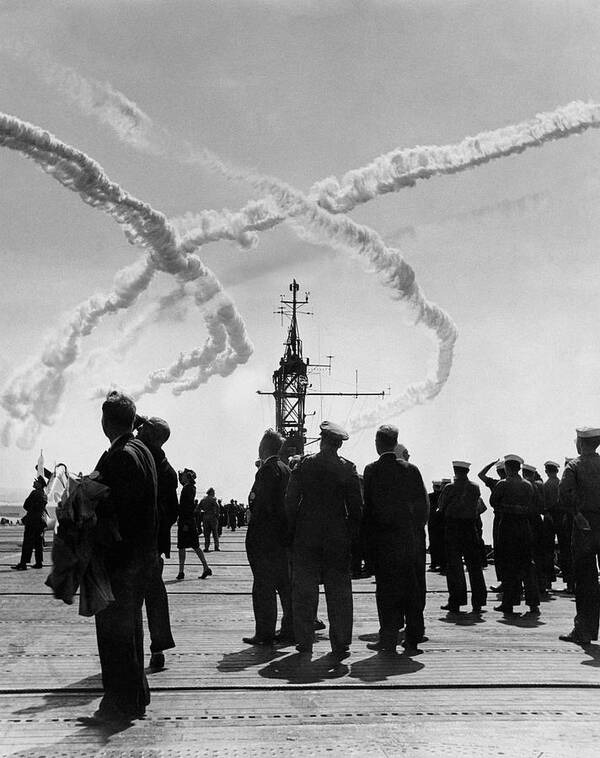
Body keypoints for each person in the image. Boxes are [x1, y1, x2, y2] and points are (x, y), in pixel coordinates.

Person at [91, 390, 158, 723]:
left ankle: (117, 705)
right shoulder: (142, 450)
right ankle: (136, 697)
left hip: (121, 560)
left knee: (114, 635)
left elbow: (115, 511)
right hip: (140, 557)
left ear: (106, 422)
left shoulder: (120, 456)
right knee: (131, 629)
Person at [285, 420, 363, 661]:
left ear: (321, 440)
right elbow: (356, 509)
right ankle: (340, 644)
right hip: (337, 539)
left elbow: (290, 501)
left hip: (307, 537)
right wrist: (348, 536)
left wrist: (293, 532)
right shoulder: (347, 469)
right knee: (339, 593)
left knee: (305, 592)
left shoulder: (304, 465)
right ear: (339, 445)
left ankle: (304, 642)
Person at [363, 425, 429, 655]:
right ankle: (412, 639)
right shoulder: (411, 470)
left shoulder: (371, 471)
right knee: (411, 589)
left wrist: (368, 545)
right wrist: (414, 531)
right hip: (408, 541)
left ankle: (388, 638)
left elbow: (367, 510)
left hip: (383, 542)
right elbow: (423, 507)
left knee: (386, 592)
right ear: (395, 442)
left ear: (378, 443)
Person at [135, 416, 179, 670]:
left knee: (131, 598)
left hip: (139, 542)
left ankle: (132, 652)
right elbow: (171, 512)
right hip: (154, 544)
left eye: (144, 428)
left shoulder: (137, 459)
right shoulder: (167, 469)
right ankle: (158, 648)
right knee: (155, 596)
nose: (139, 429)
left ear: (151, 436)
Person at [243, 429, 293, 646]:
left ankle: (264, 633)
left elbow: (260, 504)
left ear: (263, 447)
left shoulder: (265, 471)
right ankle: (290, 629)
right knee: (285, 586)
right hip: (282, 539)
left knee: (263, 588)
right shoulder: (286, 469)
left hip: (264, 539)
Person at [559, 427, 600, 645]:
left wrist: (576, 514)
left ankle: (584, 631)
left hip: (585, 526)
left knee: (585, 580)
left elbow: (564, 493)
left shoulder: (574, 466)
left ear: (581, 443)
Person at [490, 454, 539, 617]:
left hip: (508, 525)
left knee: (509, 565)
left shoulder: (502, 484)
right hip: (524, 526)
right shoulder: (528, 485)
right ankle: (533, 603)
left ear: (507, 469)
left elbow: (493, 502)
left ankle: (509, 603)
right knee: (527, 564)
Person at [438, 461, 487, 614]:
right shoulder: (475, 487)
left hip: (453, 528)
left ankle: (456, 601)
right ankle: (478, 601)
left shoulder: (449, 488)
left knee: (454, 567)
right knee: (474, 566)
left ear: (455, 470)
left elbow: (441, 507)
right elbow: (479, 507)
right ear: (467, 471)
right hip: (470, 527)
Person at [543, 460, 572, 592]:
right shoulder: (561, 484)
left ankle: (548, 580)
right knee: (565, 550)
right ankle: (570, 582)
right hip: (562, 518)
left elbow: (544, 503)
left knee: (547, 550)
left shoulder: (546, 485)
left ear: (547, 471)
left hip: (549, 517)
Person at [176, 469, 211, 580]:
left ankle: (182, 571)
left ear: (188, 476)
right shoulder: (189, 487)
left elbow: (187, 507)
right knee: (194, 546)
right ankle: (205, 568)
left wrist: (185, 522)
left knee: (183, 546)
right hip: (188, 520)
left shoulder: (188, 488)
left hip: (186, 521)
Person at [12, 475, 48, 570]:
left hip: (32, 521)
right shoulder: (44, 495)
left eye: (36, 482)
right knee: (38, 543)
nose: (34, 483)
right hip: (40, 521)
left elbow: (26, 505)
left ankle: (23, 564)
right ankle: (39, 562)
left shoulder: (34, 493)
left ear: (39, 485)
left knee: (27, 542)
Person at [427, 481, 445, 572]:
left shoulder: (429, 496)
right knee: (441, 543)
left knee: (433, 543)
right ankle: (440, 563)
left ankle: (434, 563)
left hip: (433, 522)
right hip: (441, 522)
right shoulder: (444, 496)